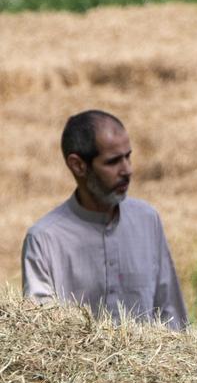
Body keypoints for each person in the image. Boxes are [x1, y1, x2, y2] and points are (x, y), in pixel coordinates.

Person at [22, 109, 188, 329]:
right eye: (113, 162)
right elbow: (41, 332)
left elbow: (171, 315)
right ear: (78, 165)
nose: (127, 170)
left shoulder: (147, 220)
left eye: (128, 156)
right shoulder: (44, 240)